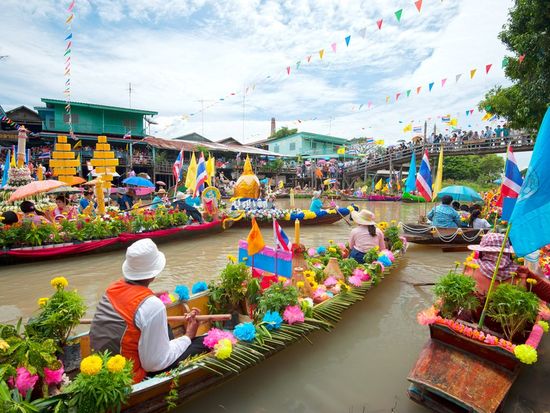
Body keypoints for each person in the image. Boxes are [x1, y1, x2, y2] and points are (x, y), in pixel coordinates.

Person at [89, 239, 207, 383]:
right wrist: (188, 336)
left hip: (103, 362)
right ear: (154, 273)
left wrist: (150, 297)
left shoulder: (113, 288)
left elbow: (131, 303)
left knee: (165, 325)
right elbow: (153, 364)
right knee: (204, 342)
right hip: (131, 376)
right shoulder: (152, 305)